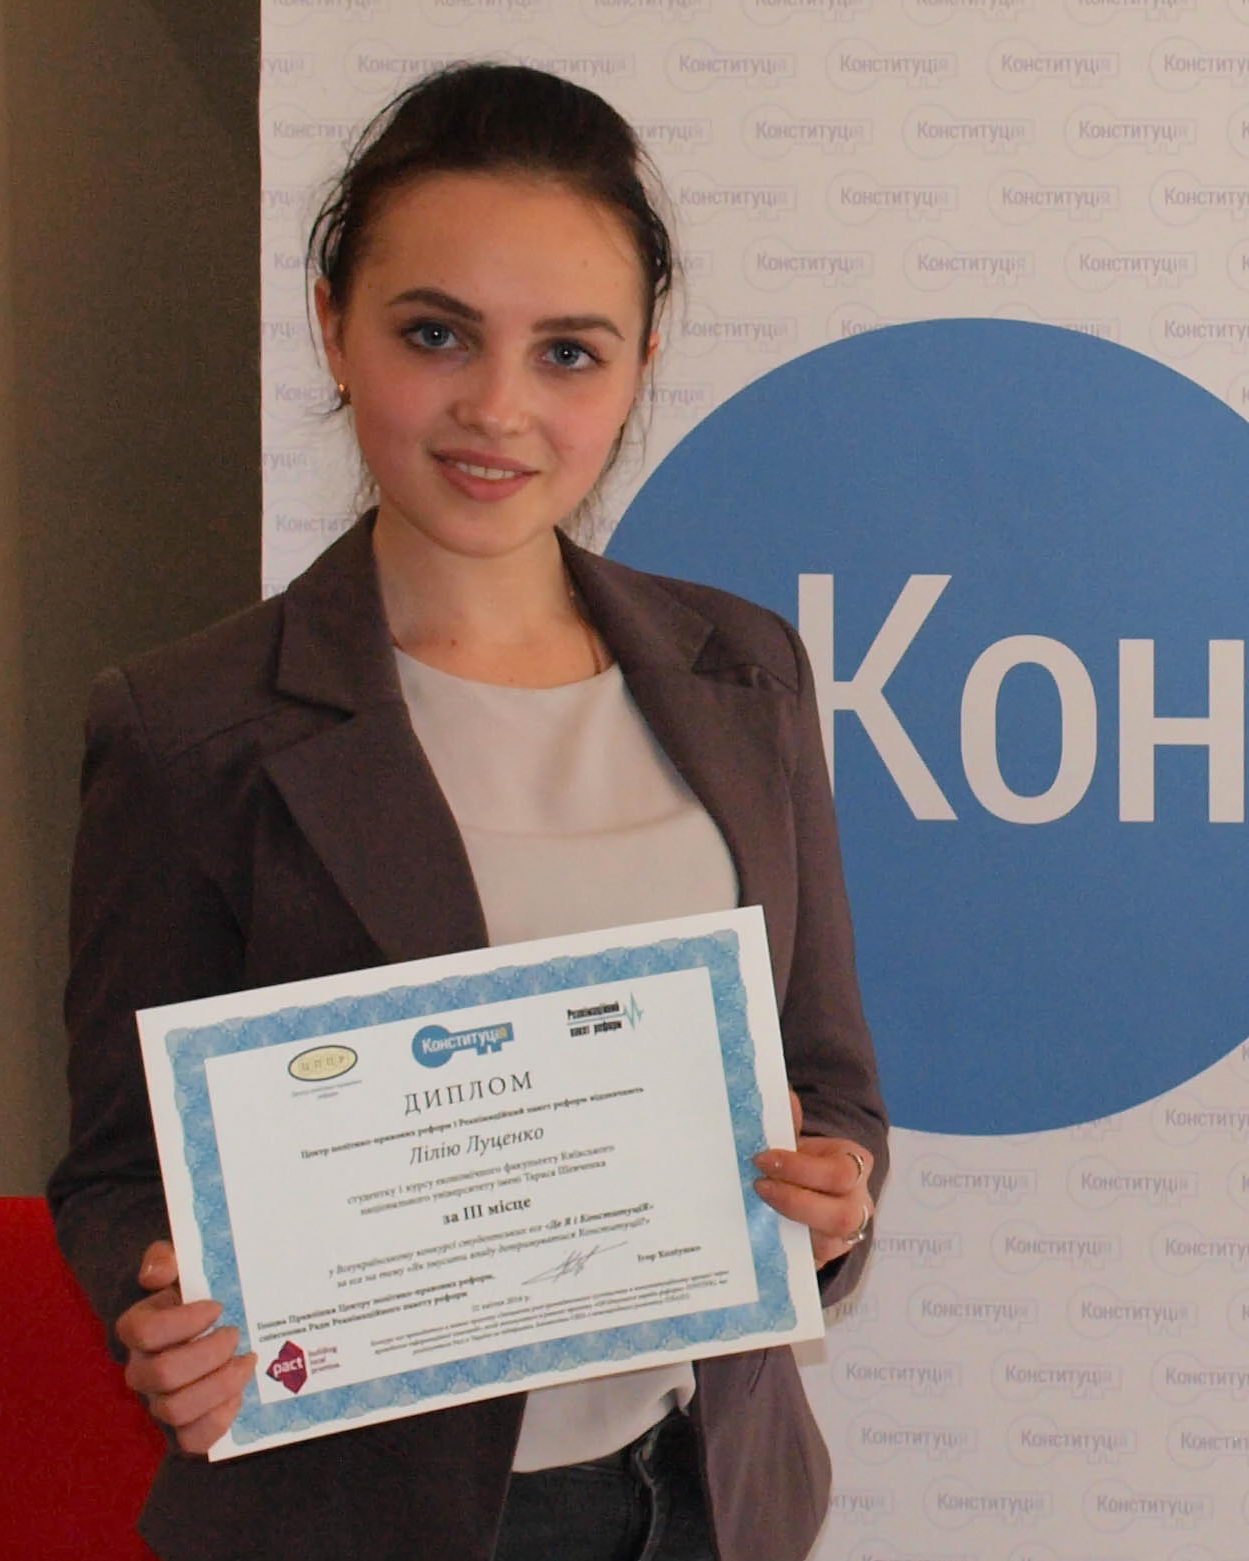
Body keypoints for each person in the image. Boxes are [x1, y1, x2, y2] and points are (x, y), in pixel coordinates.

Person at [47, 61, 888, 1561]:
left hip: (703, 1500)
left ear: (637, 365)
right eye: (435, 334)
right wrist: (158, 1305)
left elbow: (827, 1085)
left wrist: (827, 1204)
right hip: (360, 1521)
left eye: (568, 352)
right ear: (333, 324)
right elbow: (117, 1169)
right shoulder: (188, 730)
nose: (499, 408)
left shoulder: (743, 670)